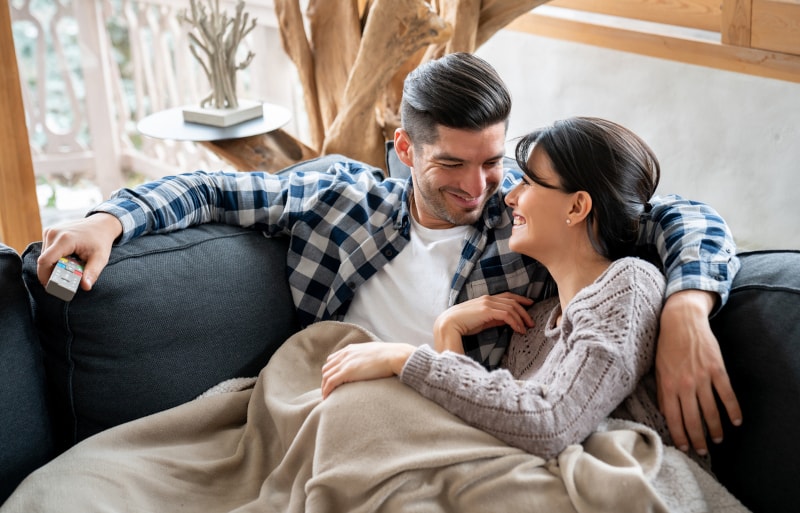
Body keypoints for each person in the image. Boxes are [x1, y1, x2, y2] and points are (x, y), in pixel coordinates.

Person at [36, 52, 740, 457]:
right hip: (335, 409)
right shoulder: (339, 198)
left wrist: (688, 305)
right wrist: (109, 220)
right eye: (452, 165)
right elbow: (217, 186)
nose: (478, 187)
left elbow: (672, 215)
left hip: (449, 431)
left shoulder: (529, 221)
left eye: (492, 161)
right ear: (405, 149)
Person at [321, 116, 669, 458]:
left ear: (577, 206)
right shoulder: (532, 327)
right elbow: (478, 437)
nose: (510, 196)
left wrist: (404, 358)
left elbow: (551, 424)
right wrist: (448, 329)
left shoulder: (629, 285)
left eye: (529, 183)